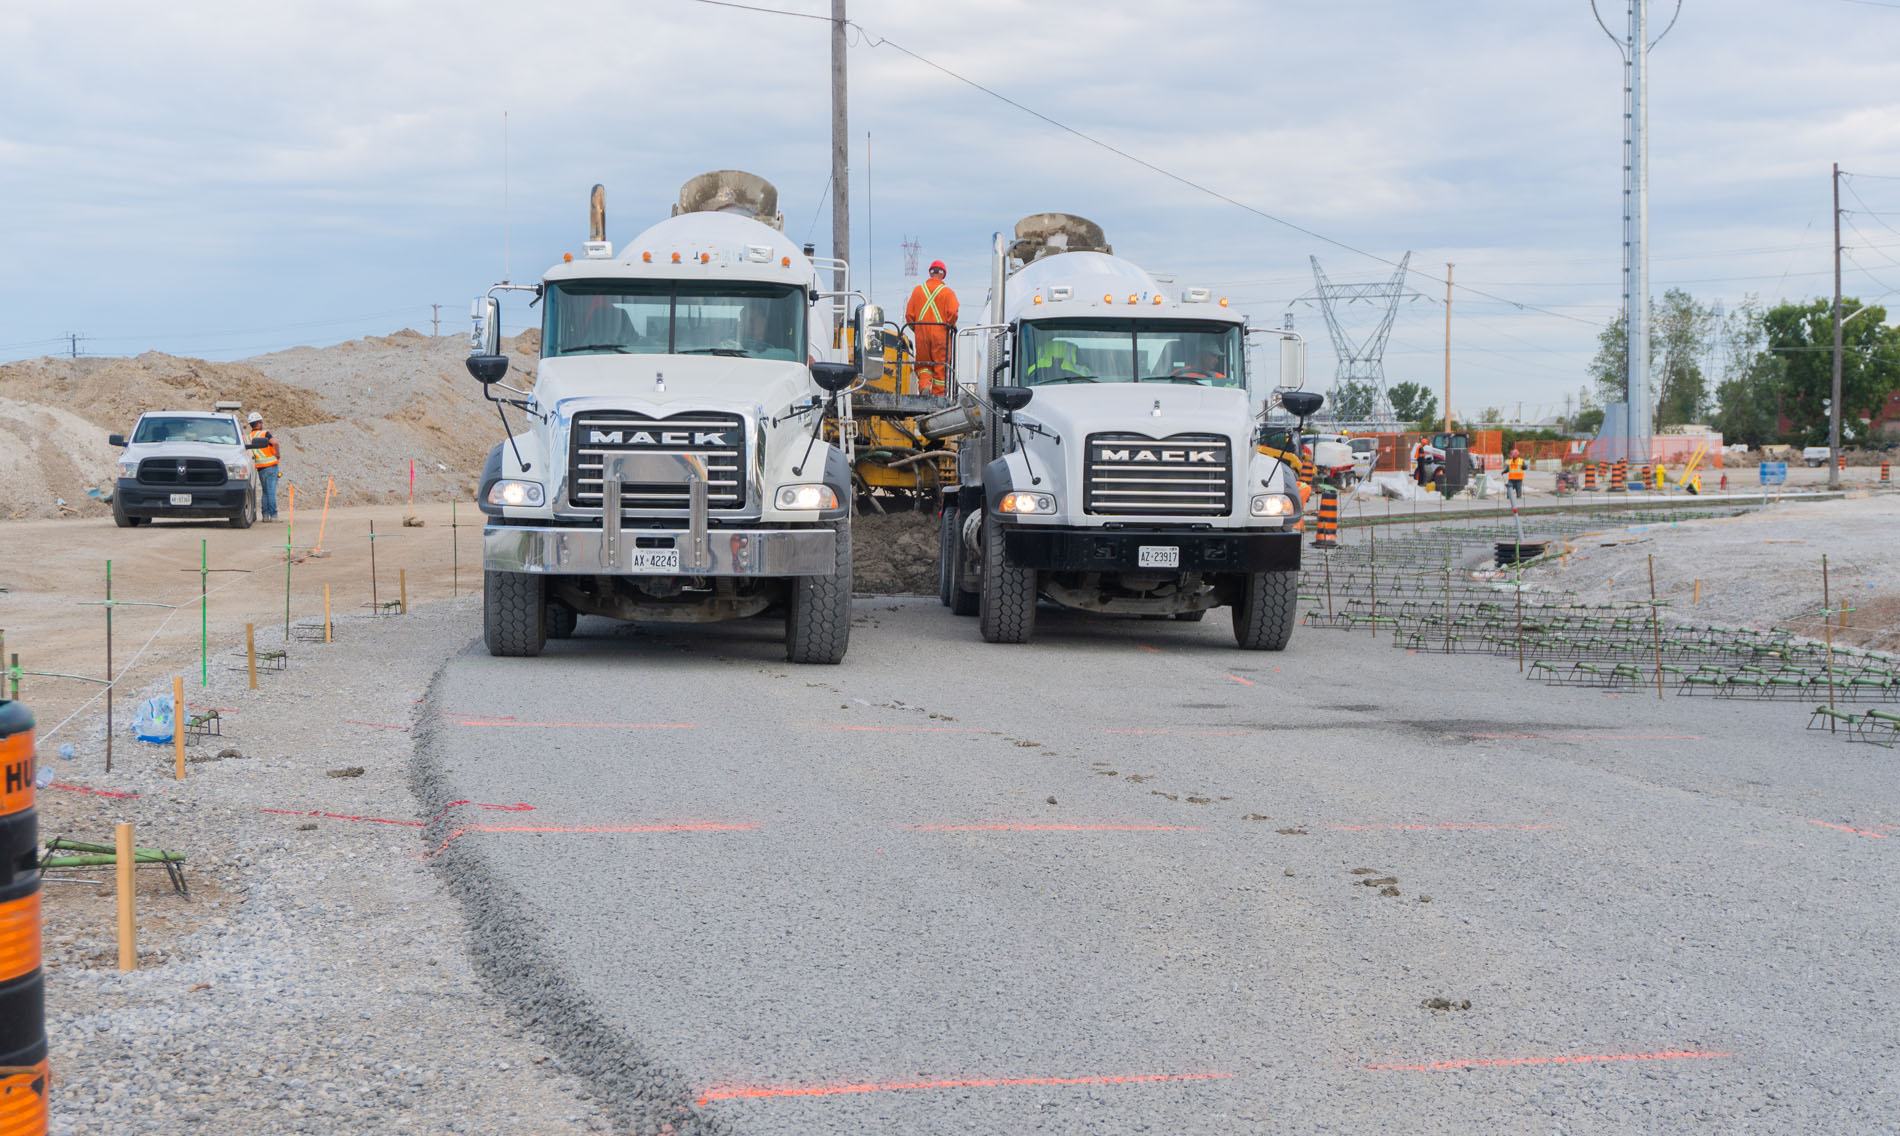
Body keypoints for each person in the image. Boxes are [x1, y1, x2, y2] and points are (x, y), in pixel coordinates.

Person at [904, 260, 958, 396]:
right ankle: (938, 398)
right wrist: (950, 325)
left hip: (921, 335)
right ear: (943, 274)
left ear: (930, 272)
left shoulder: (917, 291)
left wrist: (917, 331)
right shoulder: (948, 293)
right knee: (940, 366)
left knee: (923, 365)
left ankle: (924, 389)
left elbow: (909, 316)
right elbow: (952, 313)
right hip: (941, 335)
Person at [247, 411, 280, 521]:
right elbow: (275, 443)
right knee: (271, 491)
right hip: (271, 466)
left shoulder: (248, 437)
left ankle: (265, 516)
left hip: (260, 468)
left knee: (265, 492)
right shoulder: (264, 433)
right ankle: (274, 515)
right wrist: (277, 455)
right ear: (259, 423)